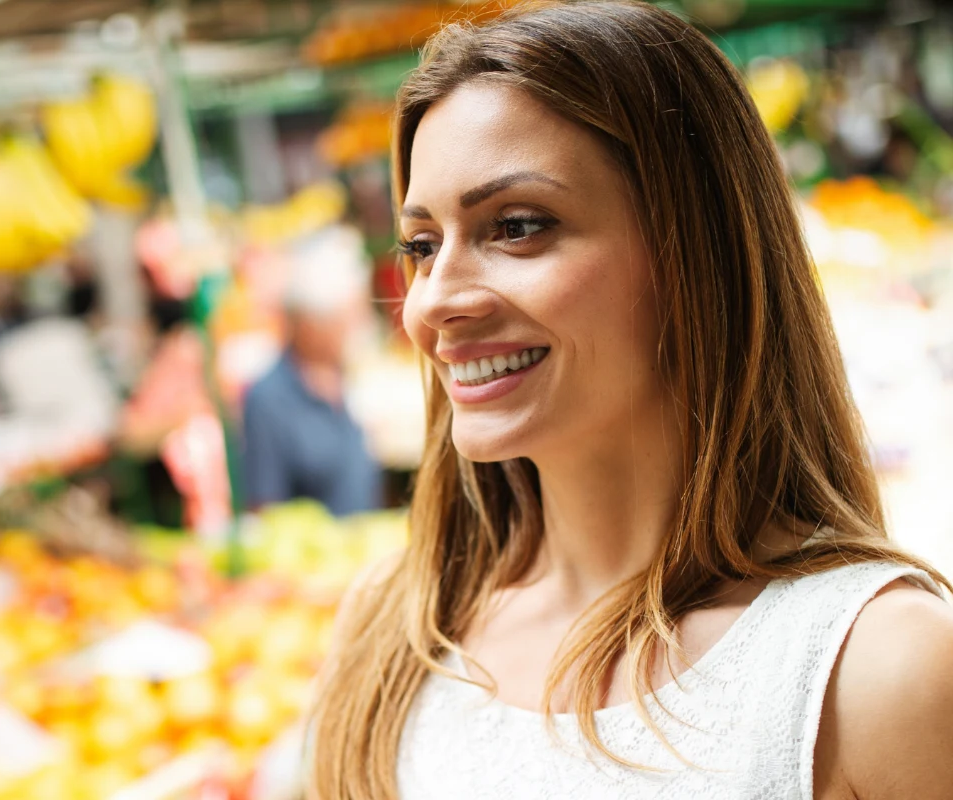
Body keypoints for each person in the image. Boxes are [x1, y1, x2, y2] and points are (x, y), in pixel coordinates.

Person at [308, 3, 953, 799]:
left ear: (697, 252)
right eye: (422, 245)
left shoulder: (877, 669)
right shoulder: (394, 632)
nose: (432, 302)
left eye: (516, 226)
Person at [241, 226, 382, 517]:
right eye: (341, 320)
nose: (354, 328)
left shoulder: (353, 379)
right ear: (308, 325)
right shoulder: (268, 398)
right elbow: (265, 509)